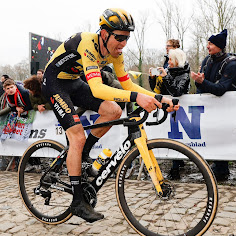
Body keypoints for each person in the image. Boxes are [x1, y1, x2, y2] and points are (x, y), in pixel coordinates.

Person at [42, 8, 178, 223]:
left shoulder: (116, 54)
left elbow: (127, 84)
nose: (123, 43)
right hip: (55, 82)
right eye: (119, 38)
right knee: (77, 136)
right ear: (104, 33)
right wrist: (135, 97)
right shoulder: (87, 43)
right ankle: (77, 202)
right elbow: (97, 89)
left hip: (74, 82)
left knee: (113, 110)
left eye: (127, 38)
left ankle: (83, 155)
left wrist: (158, 98)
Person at [191, 29, 236, 180]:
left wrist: (202, 82)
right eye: (208, 43)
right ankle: (216, 164)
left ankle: (222, 169)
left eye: (210, 43)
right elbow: (201, 88)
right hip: (209, 107)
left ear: (219, 45)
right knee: (210, 135)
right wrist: (200, 82)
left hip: (226, 107)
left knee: (221, 136)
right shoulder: (207, 60)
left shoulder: (231, 63)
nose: (207, 46)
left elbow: (221, 89)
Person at [149, 48, 190, 179]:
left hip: (179, 111)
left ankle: (176, 167)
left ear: (177, 61)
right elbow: (157, 90)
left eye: (171, 60)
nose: (169, 62)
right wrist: (153, 78)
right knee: (170, 137)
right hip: (167, 108)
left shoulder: (184, 74)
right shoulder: (168, 72)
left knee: (177, 138)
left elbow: (177, 92)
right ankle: (176, 164)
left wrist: (165, 77)